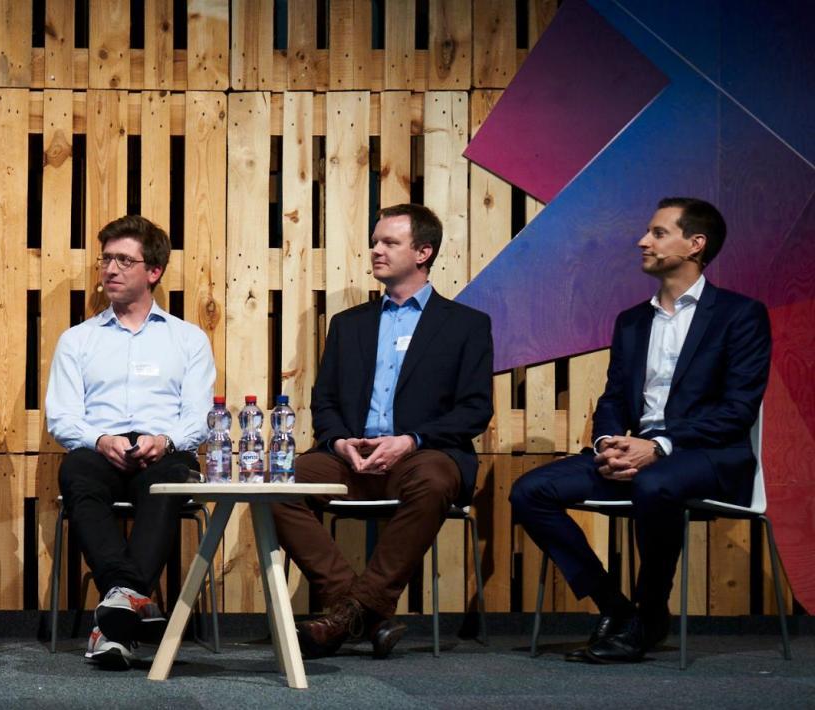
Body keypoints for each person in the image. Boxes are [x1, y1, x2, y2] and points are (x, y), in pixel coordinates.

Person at [510, 197, 770, 664]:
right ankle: (619, 609)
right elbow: (613, 399)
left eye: (657, 232)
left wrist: (660, 446)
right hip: (637, 453)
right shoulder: (632, 321)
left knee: (655, 482)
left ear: (696, 244)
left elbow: (738, 410)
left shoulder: (740, 315)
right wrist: (609, 443)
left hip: (709, 455)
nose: (642, 241)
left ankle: (651, 612)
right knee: (530, 491)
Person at [271, 203, 493, 659]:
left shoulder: (466, 325)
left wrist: (411, 440)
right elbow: (326, 403)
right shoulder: (348, 325)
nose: (376, 250)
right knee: (278, 483)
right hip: (351, 456)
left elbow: (474, 410)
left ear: (423, 252)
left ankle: (347, 614)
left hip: (424, 454)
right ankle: (361, 608)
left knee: (434, 481)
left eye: (389, 242)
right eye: (375, 241)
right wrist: (338, 442)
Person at [45, 215, 214, 669]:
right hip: (100, 451)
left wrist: (167, 439)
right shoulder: (78, 340)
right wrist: (100, 439)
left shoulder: (188, 339)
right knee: (76, 468)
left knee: (168, 477)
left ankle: (114, 621)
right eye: (106, 259)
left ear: (153, 271)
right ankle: (134, 600)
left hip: (164, 451)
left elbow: (198, 417)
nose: (110, 269)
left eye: (124, 260)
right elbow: (61, 417)